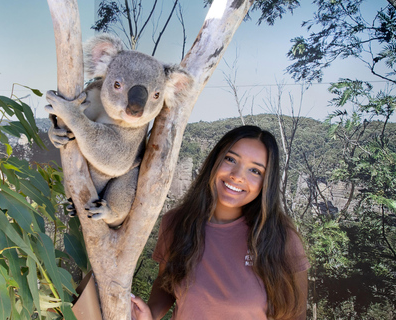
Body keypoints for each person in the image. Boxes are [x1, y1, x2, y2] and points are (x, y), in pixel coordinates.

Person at [131, 125, 310, 320]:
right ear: (215, 160)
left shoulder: (281, 238)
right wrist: (150, 314)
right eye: (230, 159)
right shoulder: (176, 223)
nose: (237, 175)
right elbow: (166, 284)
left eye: (255, 171)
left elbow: (296, 315)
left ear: (266, 182)